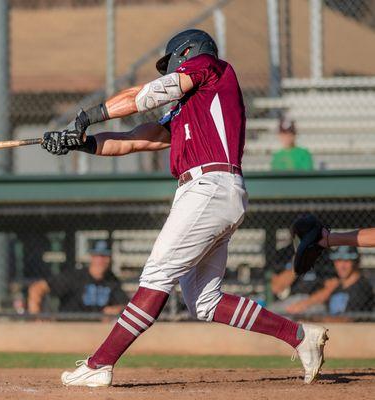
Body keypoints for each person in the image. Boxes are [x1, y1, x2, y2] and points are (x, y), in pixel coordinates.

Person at [41, 29, 328, 387]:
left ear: (188, 53)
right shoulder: (190, 109)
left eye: (172, 63)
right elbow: (132, 142)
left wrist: (88, 115)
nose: (169, 71)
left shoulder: (212, 68)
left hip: (209, 186)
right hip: (211, 192)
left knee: (157, 274)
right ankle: (301, 336)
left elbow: (143, 96)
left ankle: (101, 363)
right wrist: (80, 143)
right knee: (204, 302)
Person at [27, 240, 128, 315]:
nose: (100, 260)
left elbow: (126, 305)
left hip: (98, 331)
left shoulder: (111, 280)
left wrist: (116, 309)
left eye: (104, 256)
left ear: (109, 259)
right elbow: (36, 288)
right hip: (69, 328)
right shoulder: (74, 277)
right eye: (97, 255)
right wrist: (36, 317)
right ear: (91, 257)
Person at [270, 244, 338, 315]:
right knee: (268, 312)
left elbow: (331, 287)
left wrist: (305, 303)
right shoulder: (287, 251)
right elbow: (276, 288)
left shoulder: (323, 254)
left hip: (314, 302)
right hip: (291, 301)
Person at [328, 246, 374, 315]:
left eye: (346, 261)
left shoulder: (362, 287)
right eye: (338, 260)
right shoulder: (336, 287)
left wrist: (319, 320)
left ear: (356, 262)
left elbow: (350, 318)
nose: (342, 266)